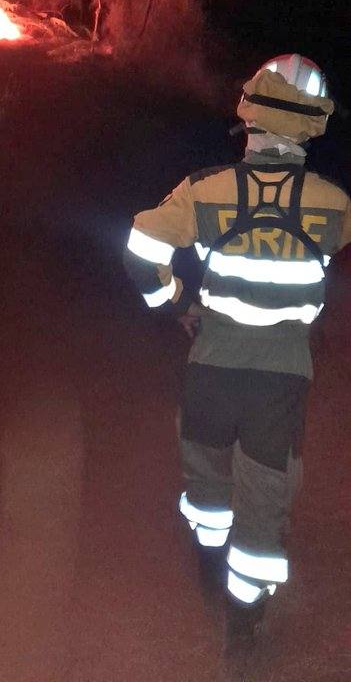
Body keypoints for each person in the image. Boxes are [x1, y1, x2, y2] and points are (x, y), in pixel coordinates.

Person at [124, 55, 351, 679]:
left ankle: (208, 563)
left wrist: (177, 306)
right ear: (312, 125)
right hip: (283, 380)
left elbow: (142, 247)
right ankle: (243, 627)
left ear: (249, 113)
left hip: (211, 367)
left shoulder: (205, 189)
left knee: (205, 480)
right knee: (265, 493)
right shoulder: (335, 204)